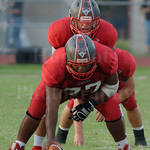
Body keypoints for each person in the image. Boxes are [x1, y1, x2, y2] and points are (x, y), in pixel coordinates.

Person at [31, 0, 146, 149]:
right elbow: (57, 61)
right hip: (69, 72)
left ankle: (136, 139)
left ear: (98, 21)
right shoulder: (59, 31)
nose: (85, 26)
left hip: (97, 74)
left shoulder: (111, 44)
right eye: (81, 22)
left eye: (90, 22)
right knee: (48, 102)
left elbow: (126, 86)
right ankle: (47, 141)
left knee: (122, 104)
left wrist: (106, 99)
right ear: (71, 19)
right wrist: (79, 131)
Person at [8, 34, 131, 150]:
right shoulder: (55, 66)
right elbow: (52, 106)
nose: (81, 70)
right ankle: (20, 144)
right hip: (64, 88)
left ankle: (123, 146)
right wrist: (51, 138)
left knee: (113, 107)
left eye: (86, 65)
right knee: (38, 104)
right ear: (67, 60)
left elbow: (112, 86)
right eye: (76, 65)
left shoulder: (107, 58)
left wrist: (91, 104)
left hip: (93, 88)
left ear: (95, 59)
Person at [55, 48, 147, 147]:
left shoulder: (124, 60)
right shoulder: (94, 61)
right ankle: (61, 136)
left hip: (115, 85)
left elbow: (129, 88)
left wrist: (108, 102)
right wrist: (78, 133)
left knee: (129, 102)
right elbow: (78, 100)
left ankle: (139, 137)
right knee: (73, 105)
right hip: (95, 85)